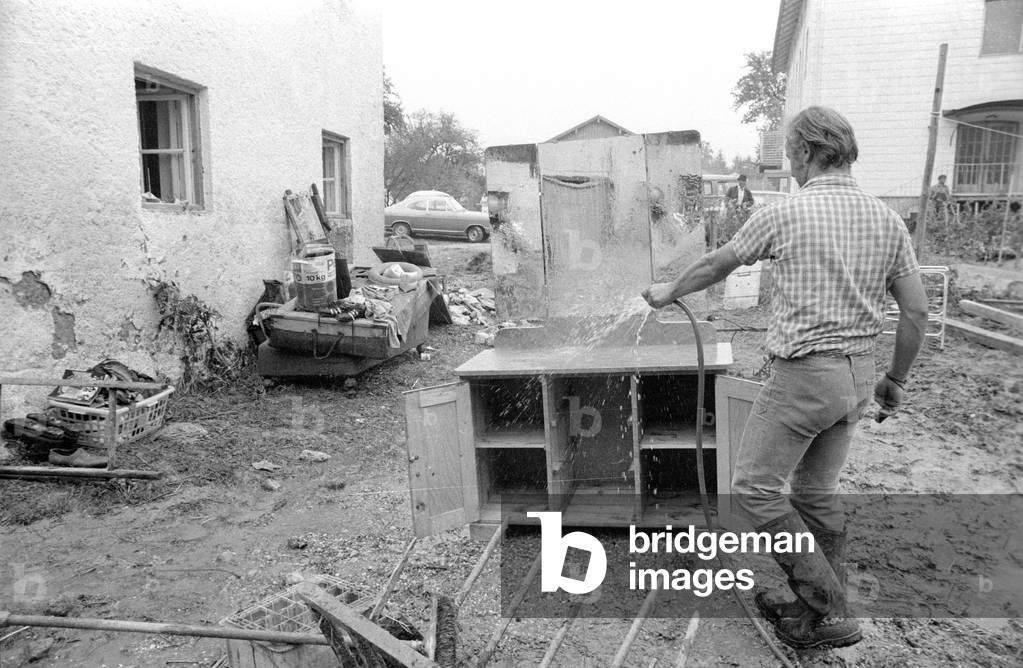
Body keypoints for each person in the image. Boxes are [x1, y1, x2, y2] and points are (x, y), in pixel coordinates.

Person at [642, 106, 929, 650]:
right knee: (816, 491)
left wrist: (666, 292)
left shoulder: (788, 213)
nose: (791, 161)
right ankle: (812, 608)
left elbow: (719, 264)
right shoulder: (888, 220)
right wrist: (898, 378)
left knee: (753, 488)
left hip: (805, 378)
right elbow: (916, 313)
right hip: (858, 377)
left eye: (792, 151)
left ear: (805, 151)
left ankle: (828, 606)